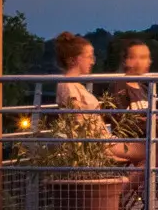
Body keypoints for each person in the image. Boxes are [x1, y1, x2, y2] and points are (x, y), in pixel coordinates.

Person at [52, 32, 137, 164]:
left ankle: (132, 183)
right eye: (89, 57)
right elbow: (78, 125)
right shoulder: (67, 86)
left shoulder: (76, 85)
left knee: (153, 151)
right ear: (73, 59)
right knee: (152, 151)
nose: (92, 61)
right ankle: (129, 184)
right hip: (101, 144)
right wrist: (102, 151)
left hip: (105, 141)